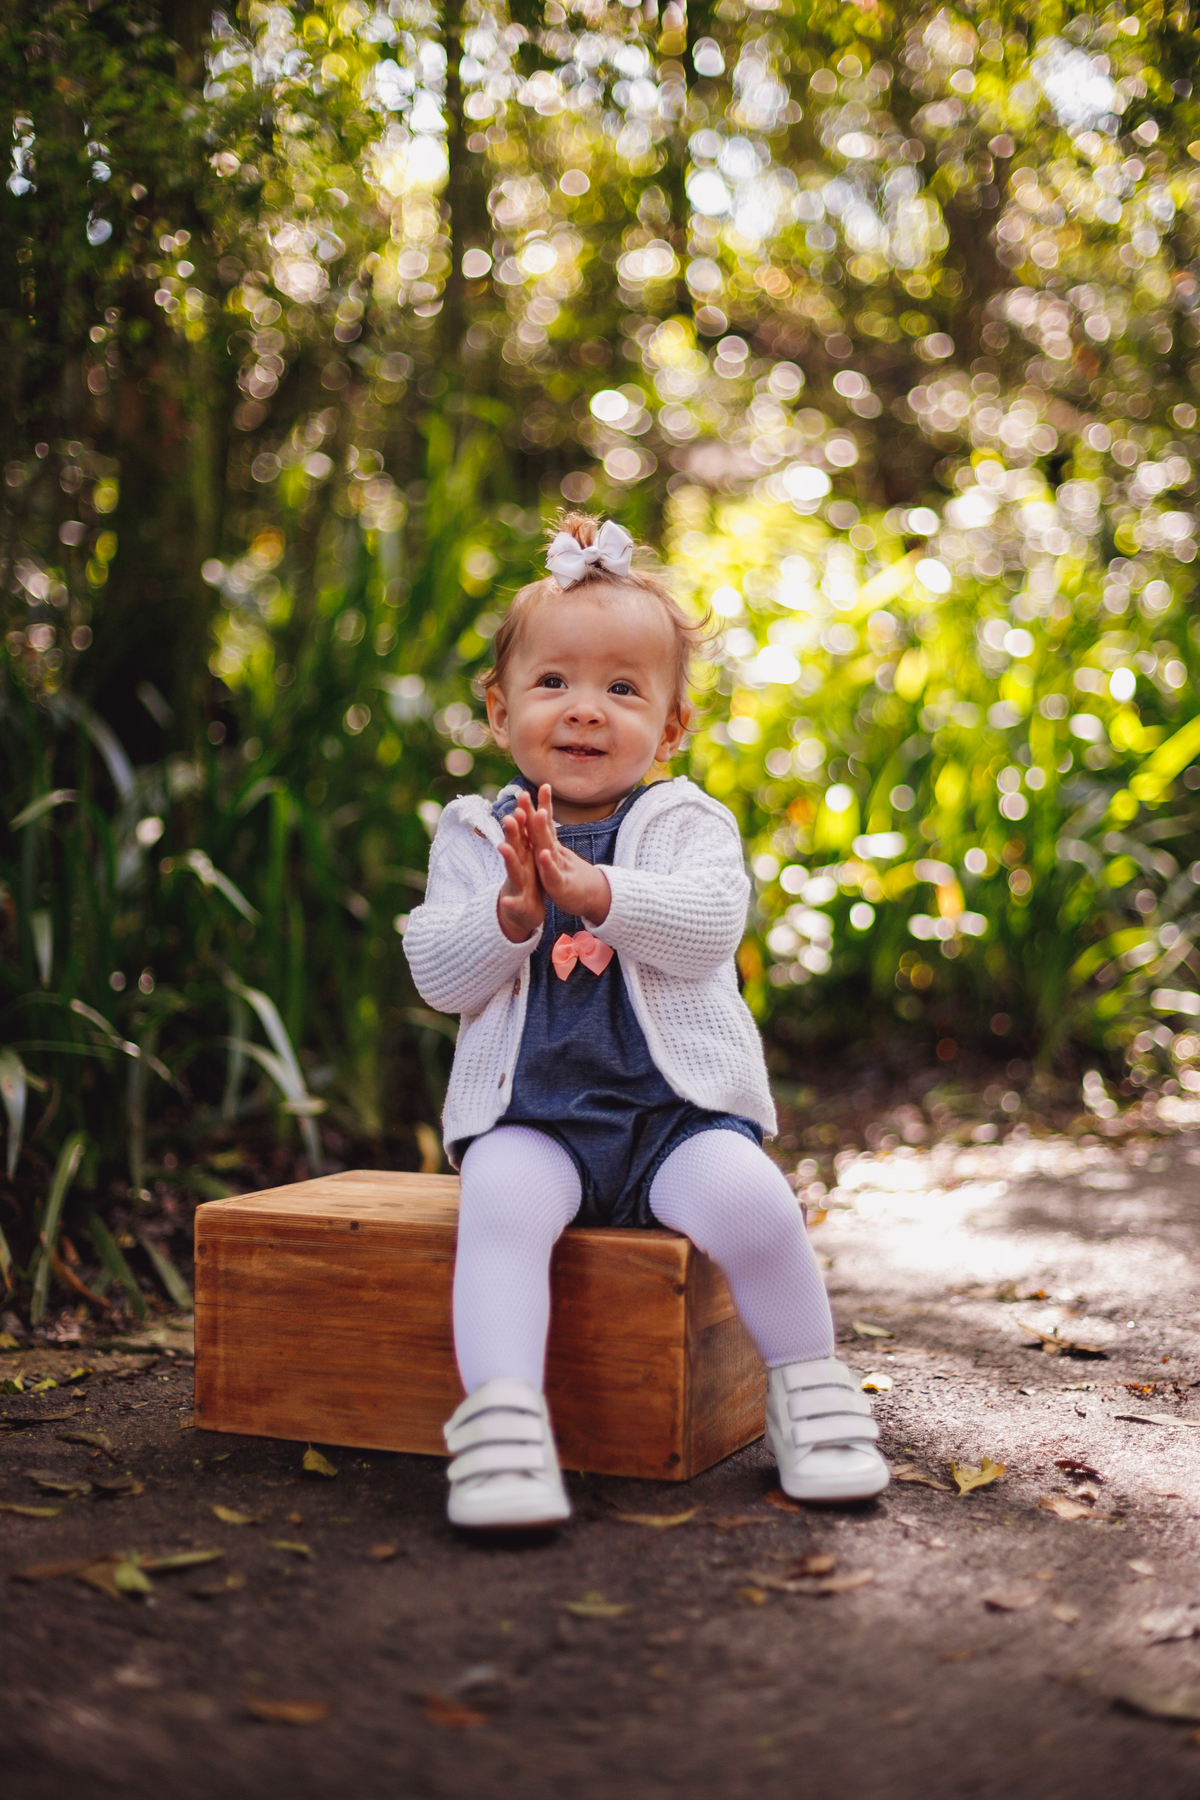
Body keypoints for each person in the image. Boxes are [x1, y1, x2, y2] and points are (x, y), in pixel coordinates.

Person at [403, 512, 889, 1528]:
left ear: (670, 728)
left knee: (756, 1206)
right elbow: (438, 973)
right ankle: (502, 1427)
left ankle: (812, 1395)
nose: (586, 710)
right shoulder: (473, 832)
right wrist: (512, 915)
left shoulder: (686, 825)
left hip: (676, 1119)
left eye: (623, 689)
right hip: (534, 1120)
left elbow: (711, 929)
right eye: (554, 683)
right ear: (499, 711)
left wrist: (598, 892)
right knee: (496, 1213)